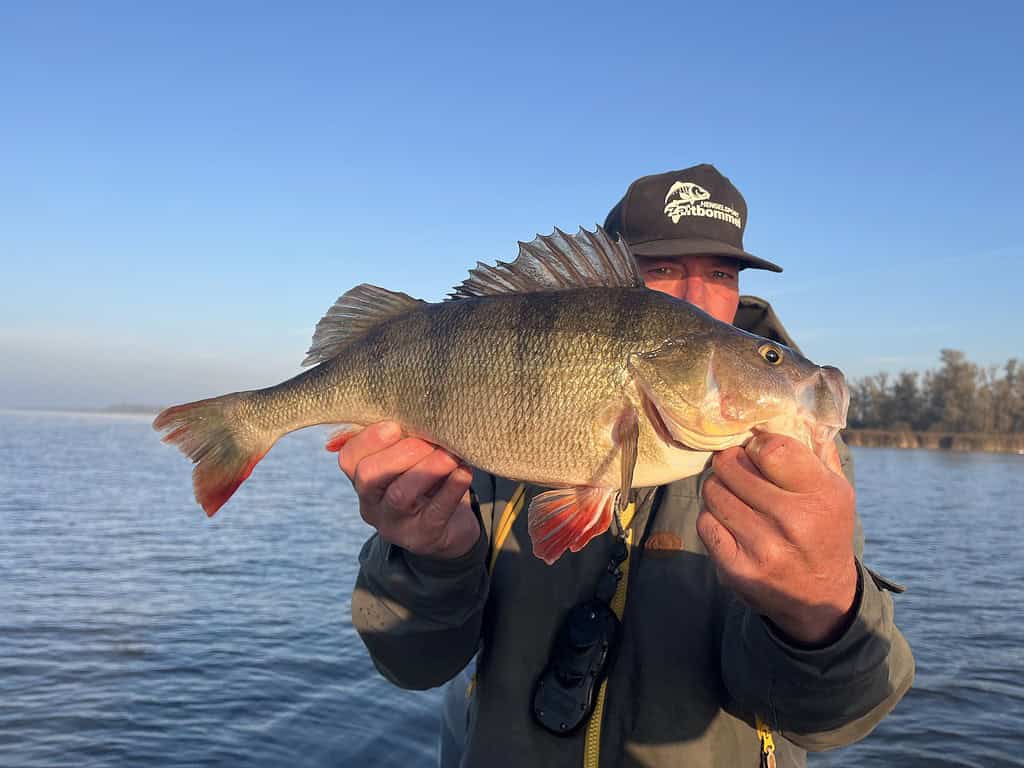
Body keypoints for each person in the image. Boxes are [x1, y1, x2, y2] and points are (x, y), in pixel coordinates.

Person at [342, 164, 915, 767]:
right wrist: (430, 560)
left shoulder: (797, 465)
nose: (699, 297)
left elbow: (832, 721)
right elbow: (411, 663)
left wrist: (820, 607)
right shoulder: (483, 449)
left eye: (721, 273)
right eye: (663, 269)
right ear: (610, 281)